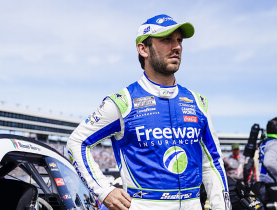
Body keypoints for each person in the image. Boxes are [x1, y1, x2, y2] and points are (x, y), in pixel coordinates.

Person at [67, 14, 231, 210]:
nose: (177, 47)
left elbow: (212, 163)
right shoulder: (123, 102)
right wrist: (104, 190)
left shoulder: (198, 102)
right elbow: (76, 143)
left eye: (179, 40)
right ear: (143, 49)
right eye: (166, 40)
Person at [259, 117, 277, 183]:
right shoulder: (274, 144)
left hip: (266, 182)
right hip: (273, 185)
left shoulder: (266, 142)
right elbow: (269, 162)